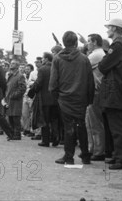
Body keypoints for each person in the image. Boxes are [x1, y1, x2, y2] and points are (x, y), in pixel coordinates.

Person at [49, 31, 95, 165]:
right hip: (80, 98)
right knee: (81, 126)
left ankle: (68, 157)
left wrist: (56, 97)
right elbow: (90, 81)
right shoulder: (84, 58)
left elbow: (53, 82)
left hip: (64, 98)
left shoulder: (57, 59)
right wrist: (90, 99)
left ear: (64, 42)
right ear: (76, 42)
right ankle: (85, 155)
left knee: (68, 126)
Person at [97, 19, 122, 170]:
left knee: (117, 126)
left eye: (109, 28)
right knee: (116, 124)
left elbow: (103, 65)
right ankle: (119, 156)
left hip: (114, 89)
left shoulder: (118, 45)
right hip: (116, 88)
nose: (107, 30)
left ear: (115, 28)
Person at [85, 34, 108, 161]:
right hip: (95, 91)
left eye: (89, 41)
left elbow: (82, 67)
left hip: (96, 91)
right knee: (91, 122)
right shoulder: (98, 54)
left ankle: (98, 151)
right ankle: (93, 148)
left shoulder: (96, 55)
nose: (87, 44)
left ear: (94, 42)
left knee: (95, 123)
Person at [32, 52, 59, 147]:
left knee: (45, 120)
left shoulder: (42, 69)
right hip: (56, 99)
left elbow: (39, 83)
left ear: (46, 59)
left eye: (43, 58)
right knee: (54, 120)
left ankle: (46, 140)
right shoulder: (56, 67)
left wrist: (32, 91)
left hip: (45, 99)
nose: (42, 60)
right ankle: (56, 138)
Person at [4, 59, 27, 140]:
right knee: (10, 117)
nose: (11, 65)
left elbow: (22, 88)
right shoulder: (10, 75)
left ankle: (17, 134)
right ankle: (12, 133)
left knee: (16, 117)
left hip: (16, 100)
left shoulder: (20, 76)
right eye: (11, 63)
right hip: (9, 100)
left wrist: (14, 95)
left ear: (17, 66)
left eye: (13, 64)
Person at [21, 63, 36, 137]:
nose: (26, 71)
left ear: (31, 70)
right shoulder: (23, 76)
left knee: (32, 114)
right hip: (25, 96)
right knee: (24, 114)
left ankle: (32, 130)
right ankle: (26, 129)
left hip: (31, 96)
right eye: (26, 69)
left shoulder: (34, 76)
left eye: (28, 69)